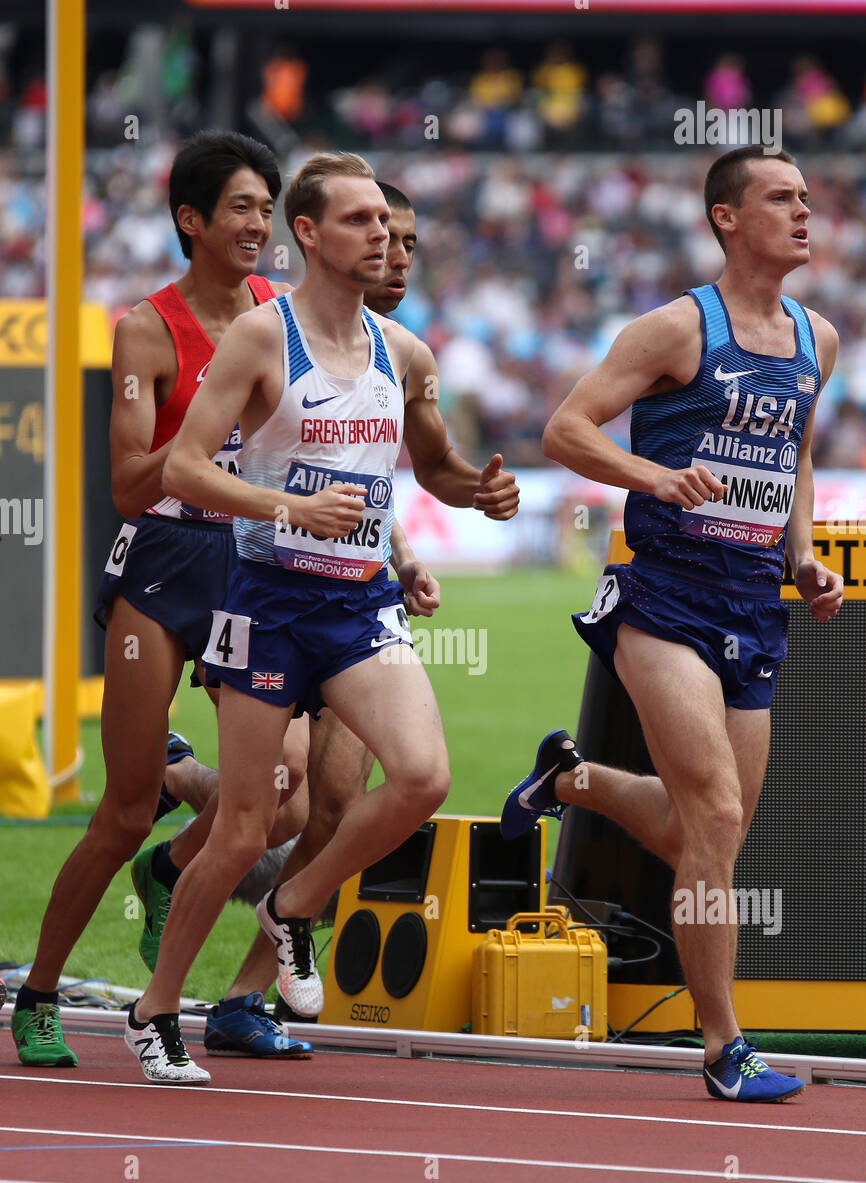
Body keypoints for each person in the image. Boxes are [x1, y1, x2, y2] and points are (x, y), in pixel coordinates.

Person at [125, 152, 518, 1083]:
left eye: (386, 222)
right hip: (265, 599)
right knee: (244, 822)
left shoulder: (404, 352)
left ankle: (292, 906)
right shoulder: (264, 338)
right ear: (307, 234)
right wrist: (282, 508)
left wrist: (482, 492)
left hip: (356, 605)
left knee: (421, 777)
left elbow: (437, 470)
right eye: (361, 221)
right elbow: (180, 470)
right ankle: (155, 1011)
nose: (382, 236)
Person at [501, 146, 843, 1103]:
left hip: (753, 605)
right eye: (781, 199)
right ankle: (724, 1045)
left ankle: (573, 778)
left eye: (808, 199)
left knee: (711, 837)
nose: (804, 213)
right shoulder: (675, 329)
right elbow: (566, 428)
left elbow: (797, 458)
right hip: (666, 598)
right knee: (718, 815)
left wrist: (801, 553)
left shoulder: (818, 335)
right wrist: (655, 476)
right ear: (727, 218)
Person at [10, 131, 300, 1069]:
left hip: (254, 567)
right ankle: (40, 993)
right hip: (166, 568)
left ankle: (174, 870)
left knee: (285, 789)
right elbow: (131, 486)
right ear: (193, 221)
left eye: (268, 207)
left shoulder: (277, 313)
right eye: (244, 208)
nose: (260, 224)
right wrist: (209, 462)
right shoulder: (146, 328)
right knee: (124, 811)